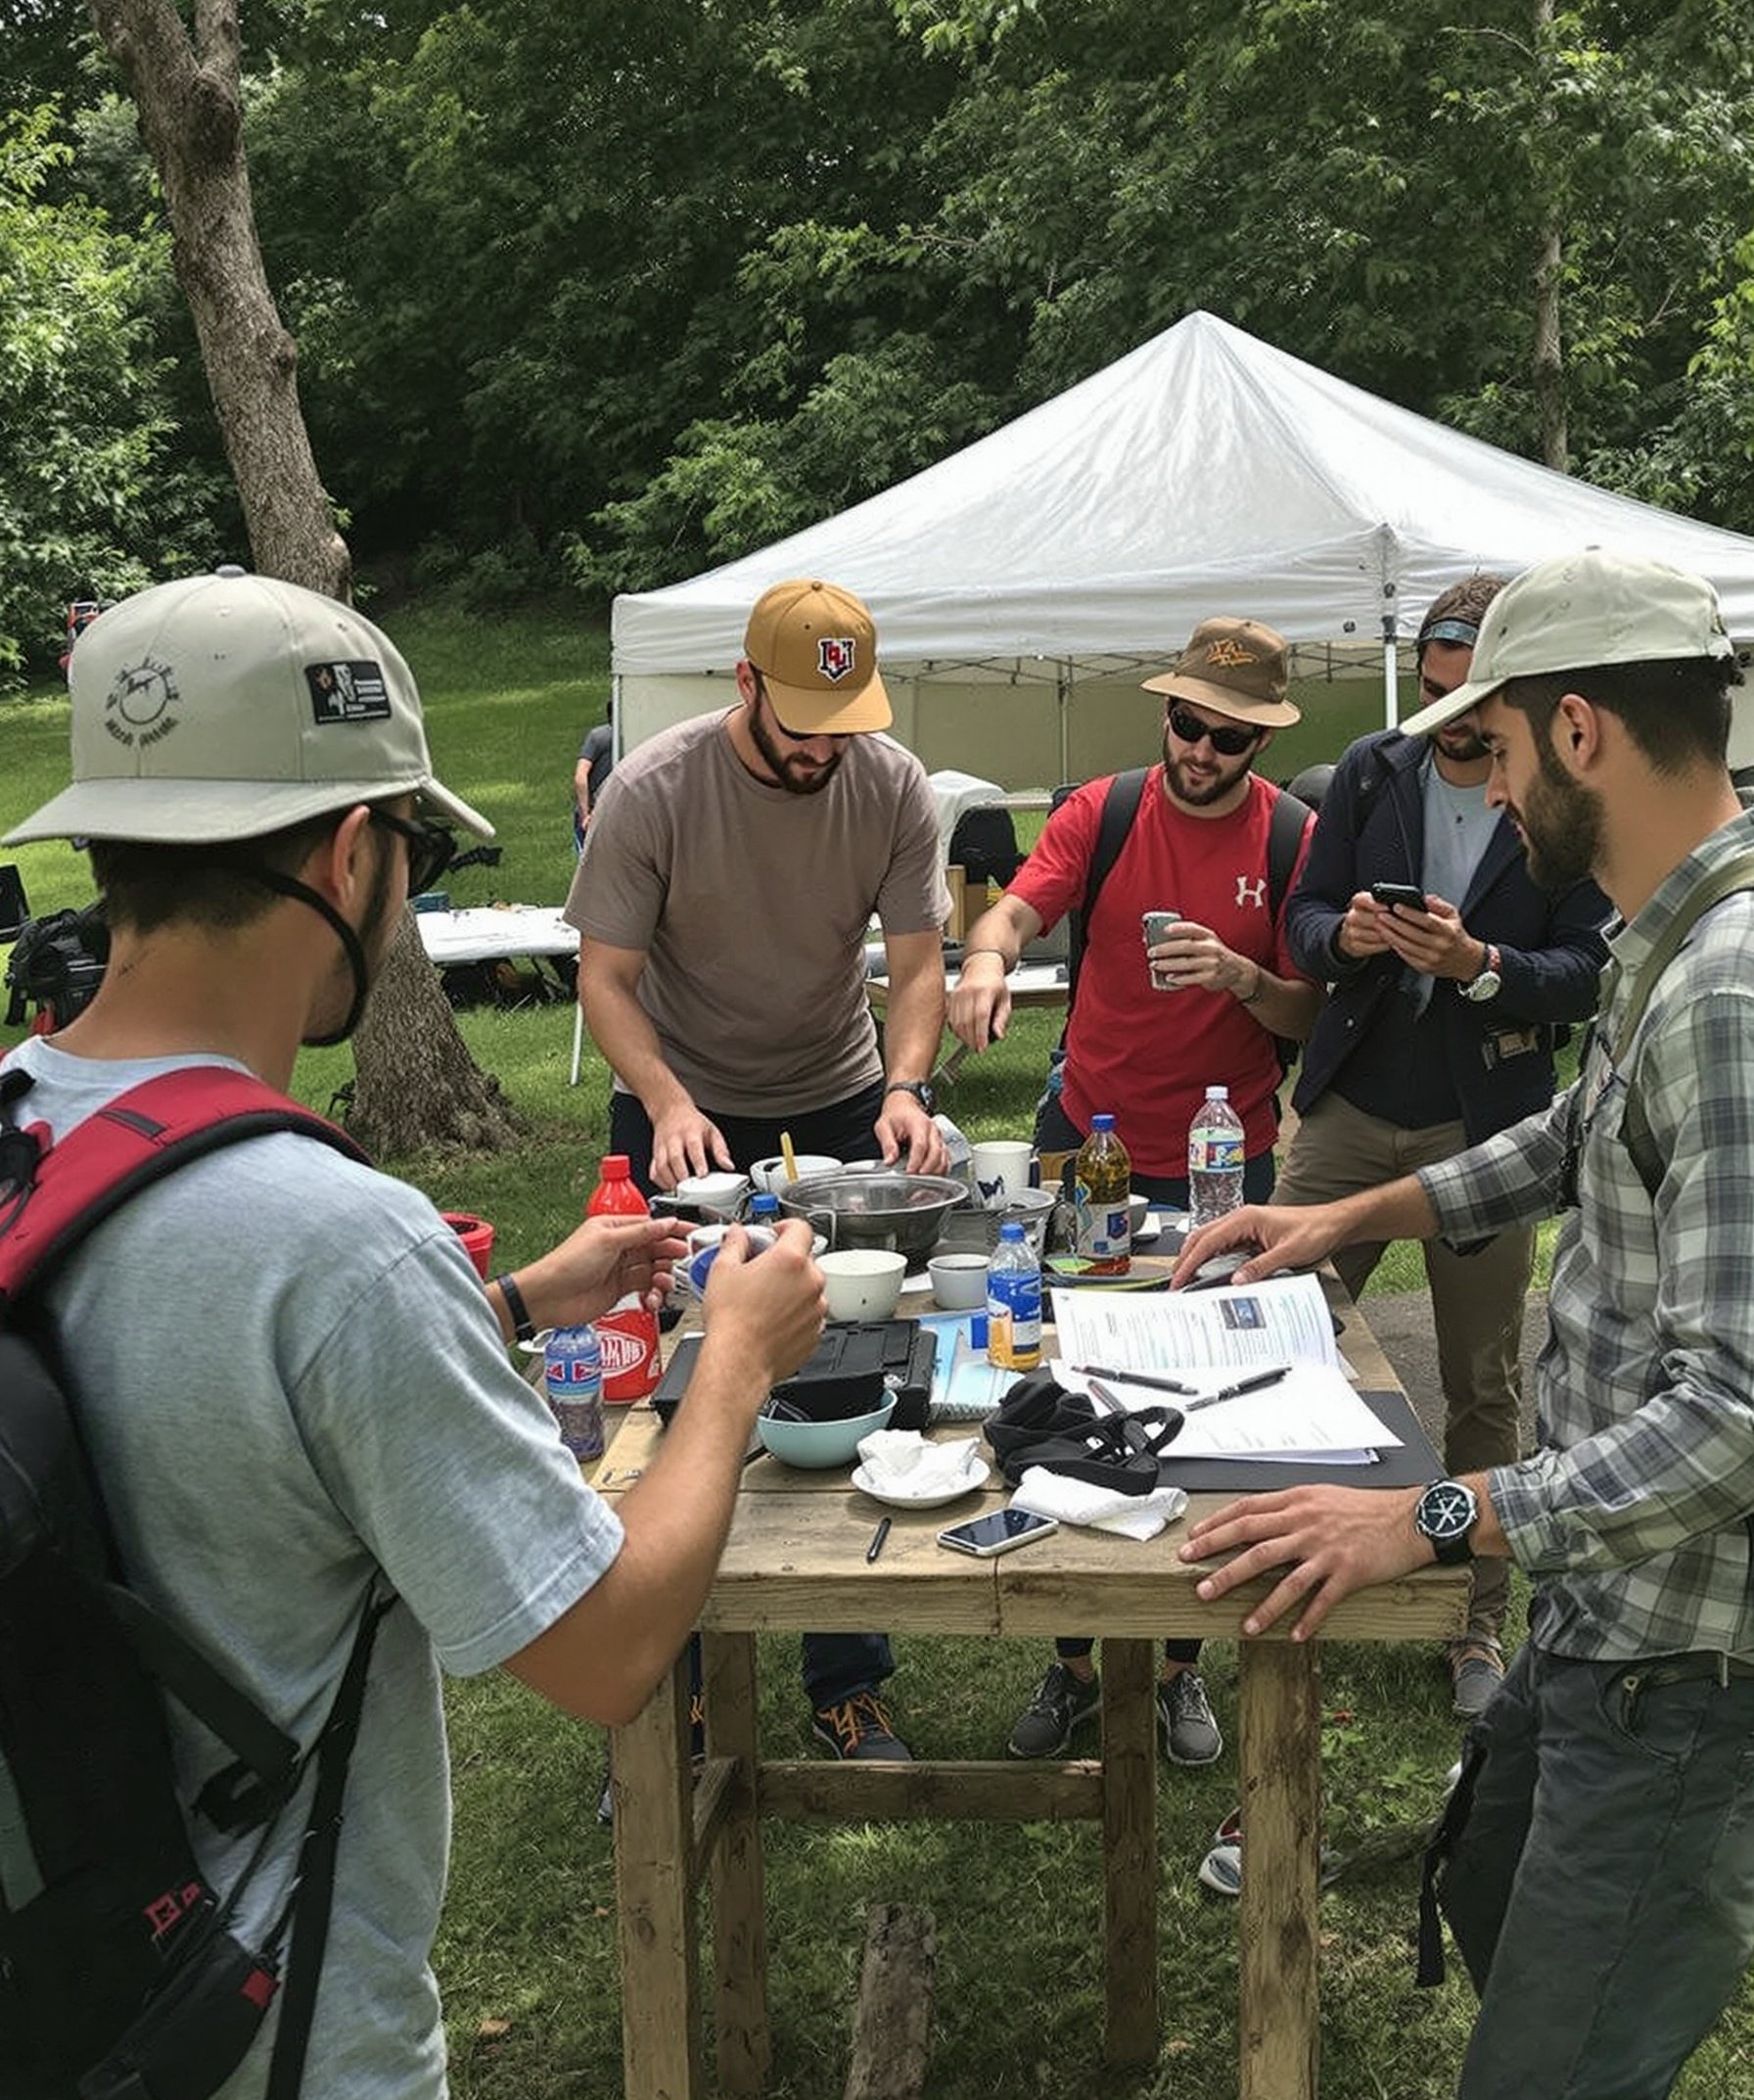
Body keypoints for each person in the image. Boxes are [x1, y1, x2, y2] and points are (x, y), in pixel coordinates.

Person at [0, 570, 827, 2100]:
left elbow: (172, 1402)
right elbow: (603, 1648)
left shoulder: (22, 1118)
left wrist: (507, 1299)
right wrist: (733, 1362)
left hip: (47, 2044)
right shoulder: (335, 1244)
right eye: (416, 860)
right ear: (348, 853)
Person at [1176, 548, 1754, 2100]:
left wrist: (1426, 1516)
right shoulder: (1674, 933)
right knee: (1509, 1934)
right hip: (1598, 1632)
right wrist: (1339, 1211)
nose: (1488, 803)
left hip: (1680, 1677)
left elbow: (1730, 1422)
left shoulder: (1722, 989)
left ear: (1575, 731)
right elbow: (1572, 1136)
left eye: (1492, 754)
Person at [568, 575, 949, 1762]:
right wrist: (669, 1098)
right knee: (680, 1388)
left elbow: (921, 961)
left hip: (836, 1091)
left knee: (842, 1368)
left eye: (845, 729)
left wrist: (903, 1085)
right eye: (801, 730)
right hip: (685, 1108)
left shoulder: (890, 785)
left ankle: (844, 1675)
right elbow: (605, 979)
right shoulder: (657, 789)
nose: (824, 753)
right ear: (744, 685)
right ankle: (670, 1690)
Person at [946, 616, 1322, 1767]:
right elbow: (1018, 905)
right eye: (1184, 723)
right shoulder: (1106, 809)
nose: (1199, 751)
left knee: (1205, 1409)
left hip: (1221, 1160)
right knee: (1063, 1392)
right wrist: (985, 958)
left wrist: (1243, 974)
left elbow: (1313, 1012)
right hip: (1088, 1145)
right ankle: (1070, 1660)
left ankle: (1179, 1663)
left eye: (1225, 737)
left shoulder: (1298, 836)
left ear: (1259, 740)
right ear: (1163, 710)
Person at [1273, 574, 1610, 1717]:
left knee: (1482, 1378)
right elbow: (1303, 919)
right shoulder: (1373, 768)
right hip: (1354, 1101)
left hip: (1489, 1121)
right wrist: (1351, 937)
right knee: (1284, 1327)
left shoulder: (1558, 790)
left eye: (1473, 705)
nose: (1455, 727)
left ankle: (1475, 1621)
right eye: (1433, 699)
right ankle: (1285, 1569)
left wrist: (1480, 965)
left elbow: (1589, 972)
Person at [574, 705, 614, 853]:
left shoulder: (598, 736)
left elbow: (580, 775)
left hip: (595, 809)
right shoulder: (636, 736)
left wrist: (585, 814)